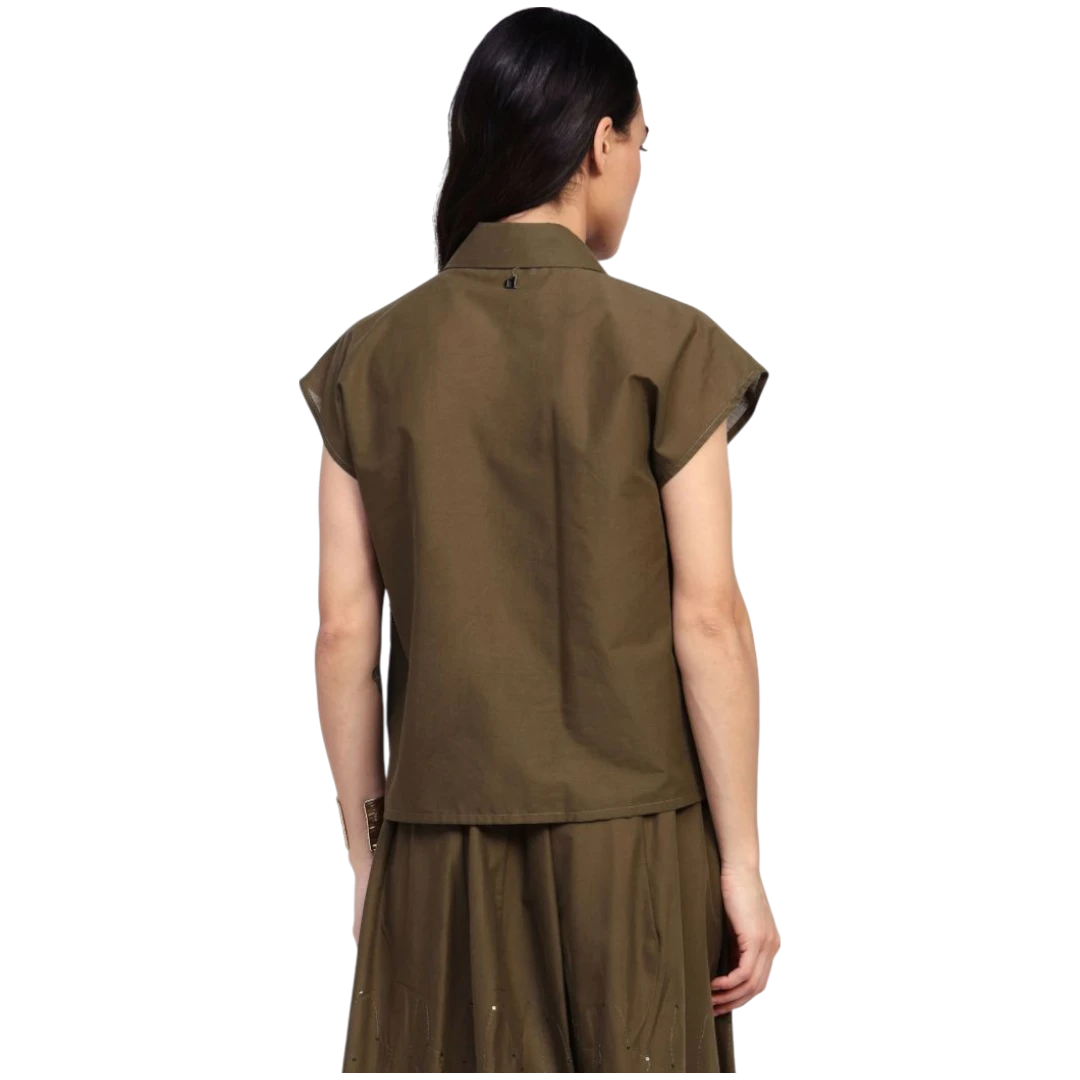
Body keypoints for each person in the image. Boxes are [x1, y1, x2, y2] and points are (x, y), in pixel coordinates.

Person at [301, 8, 778, 1075]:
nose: (637, 177)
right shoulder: (668, 347)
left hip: (440, 847)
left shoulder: (367, 361)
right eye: (639, 147)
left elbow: (341, 635)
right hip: (634, 841)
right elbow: (709, 619)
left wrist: (370, 864)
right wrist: (742, 869)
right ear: (600, 143)